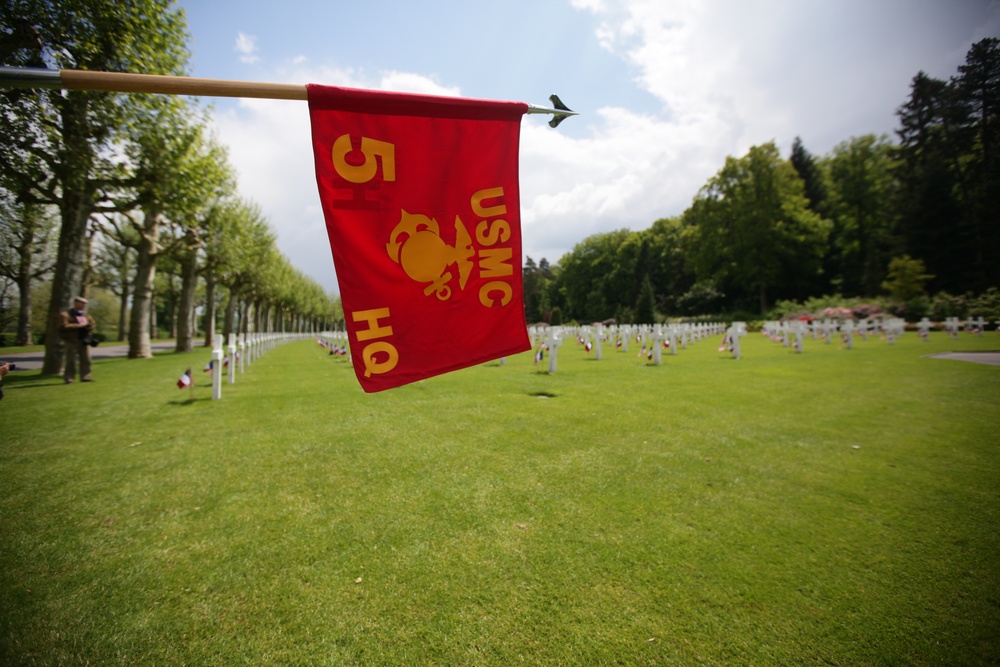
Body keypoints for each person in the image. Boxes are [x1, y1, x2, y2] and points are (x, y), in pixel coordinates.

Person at [60, 296, 97, 383]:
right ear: (76, 303)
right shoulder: (66, 314)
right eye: (82, 303)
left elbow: (92, 324)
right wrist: (79, 326)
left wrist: (89, 326)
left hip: (84, 340)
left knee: (86, 360)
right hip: (72, 340)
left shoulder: (86, 315)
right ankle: (69, 377)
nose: (84, 305)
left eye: (85, 304)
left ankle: (86, 377)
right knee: (70, 360)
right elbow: (63, 326)